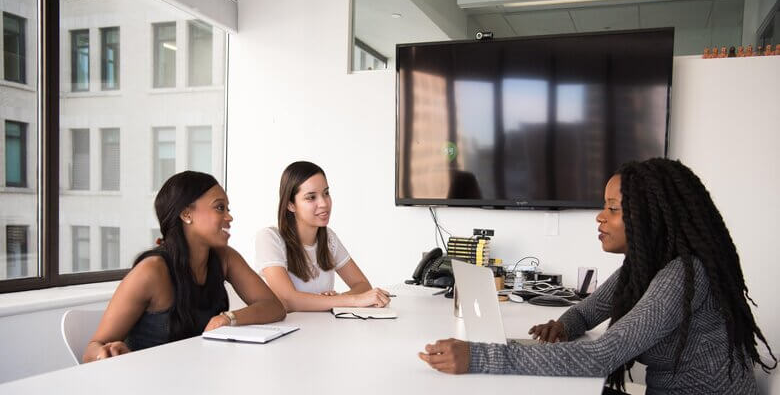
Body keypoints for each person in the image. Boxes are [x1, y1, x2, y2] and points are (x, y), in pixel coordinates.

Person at [418, 158, 777, 394]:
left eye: (613, 208)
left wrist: (479, 357)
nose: (599, 217)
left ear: (653, 217)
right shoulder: (642, 269)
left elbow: (602, 355)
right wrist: (564, 325)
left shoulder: (683, 275)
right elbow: (589, 310)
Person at [83, 171, 286, 362]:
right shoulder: (151, 271)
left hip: (199, 375)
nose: (229, 217)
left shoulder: (225, 258)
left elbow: (273, 307)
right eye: (219, 207)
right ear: (187, 214)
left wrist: (228, 318)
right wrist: (105, 354)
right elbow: (92, 350)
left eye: (227, 208)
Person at [257, 161, 390, 312]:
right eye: (311, 197)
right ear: (290, 205)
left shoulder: (328, 238)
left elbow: (362, 284)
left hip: (324, 329)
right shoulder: (269, 238)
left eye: (326, 193)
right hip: (289, 332)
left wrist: (335, 300)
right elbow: (289, 300)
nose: (324, 203)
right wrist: (346, 300)